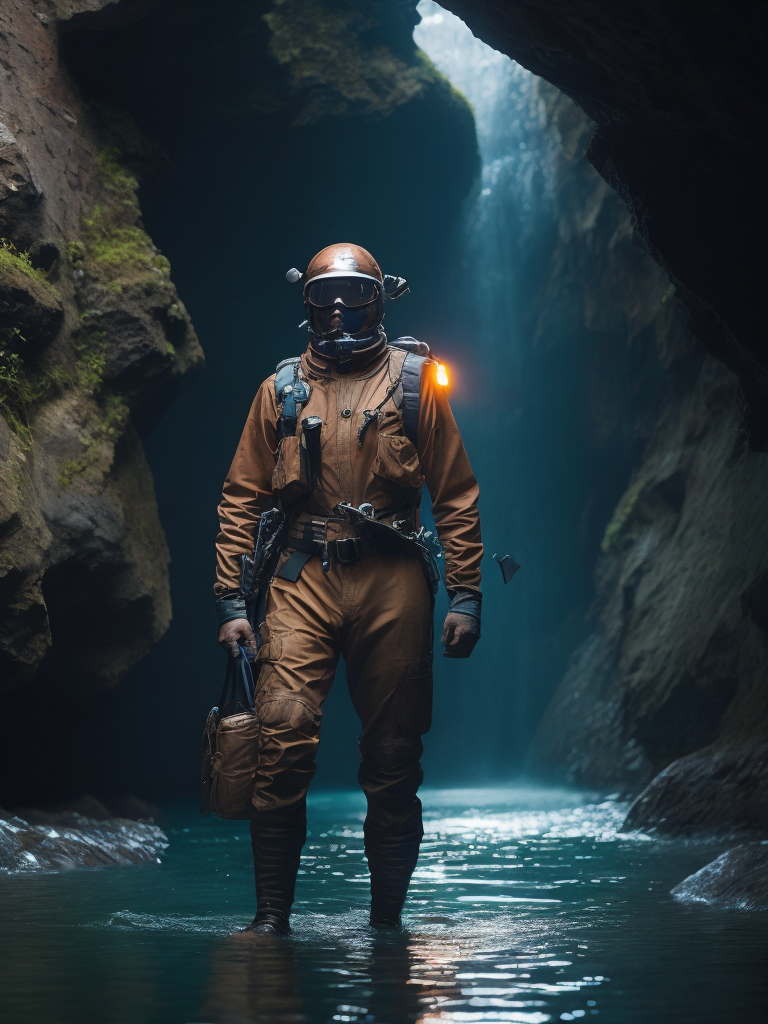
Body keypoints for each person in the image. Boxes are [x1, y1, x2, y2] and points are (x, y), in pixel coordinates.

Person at [214, 243, 482, 935]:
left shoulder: (418, 382)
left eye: (354, 294)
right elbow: (241, 499)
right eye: (325, 296)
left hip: (392, 577)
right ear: (306, 302)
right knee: (282, 738)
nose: (338, 309)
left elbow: (455, 494)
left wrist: (467, 595)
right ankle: (271, 919)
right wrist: (231, 604)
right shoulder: (279, 390)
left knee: (394, 753)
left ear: (380, 298)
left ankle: (386, 925)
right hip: (300, 578)